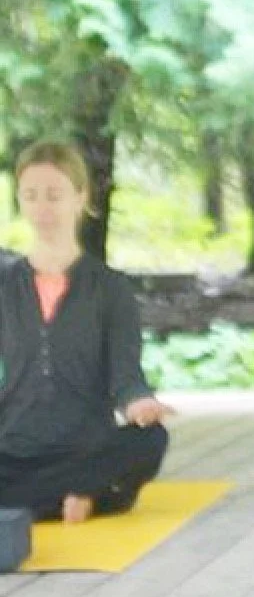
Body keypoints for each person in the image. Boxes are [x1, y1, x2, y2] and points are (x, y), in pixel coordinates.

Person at [0, 141, 172, 522]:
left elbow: (127, 378)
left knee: (151, 439)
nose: (42, 208)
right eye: (30, 196)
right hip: (12, 452)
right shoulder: (4, 285)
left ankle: (42, 501)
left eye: (54, 195)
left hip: (86, 450)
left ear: (80, 197)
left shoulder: (111, 289)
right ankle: (85, 497)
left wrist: (139, 404)